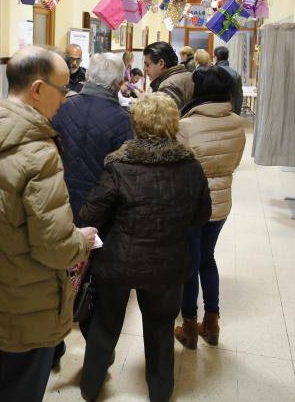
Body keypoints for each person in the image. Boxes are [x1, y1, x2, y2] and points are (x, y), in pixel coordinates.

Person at [0, 46, 97, 402]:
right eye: (63, 90)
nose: (65, 99)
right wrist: (83, 241)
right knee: (22, 387)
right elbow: (55, 246)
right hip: (28, 299)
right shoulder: (38, 153)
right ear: (38, 89)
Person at [79, 93, 212, 402]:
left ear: (135, 123)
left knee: (105, 325)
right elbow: (202, 214)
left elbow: (89, 215)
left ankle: (90, 387)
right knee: (161, 329)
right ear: (173, 124)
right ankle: (160, 391)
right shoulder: (190, 166)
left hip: (117, 262)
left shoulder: (118, 165)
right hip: (168, 262)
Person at [174, 66, 246, 350]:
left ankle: (189, 326)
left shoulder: (186, 126)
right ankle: (212, 322)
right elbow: (236, 161)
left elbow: (177, 168)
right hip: (221, 203)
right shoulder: (237, 123)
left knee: (190, 264)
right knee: (208, 259)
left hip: (192, 205)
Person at [52, 52, 133, 223]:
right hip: (100, 206)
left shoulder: (62, 106)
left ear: (87, 75)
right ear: (119, 83)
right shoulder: (123, 120)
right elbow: (123, 172)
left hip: (58, 195)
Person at [143, 41, 194, 109]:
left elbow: (166, 118)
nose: (144, 69)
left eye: (147, 65)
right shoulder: (187, 74)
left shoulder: (167, 87)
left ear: (161, 63)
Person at [214, 46, 244, 115]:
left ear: (216, 58)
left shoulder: (212, 73)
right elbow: (238, 97)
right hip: (230, 112)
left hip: (215, 113)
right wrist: (236, 114)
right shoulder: (236, 74)